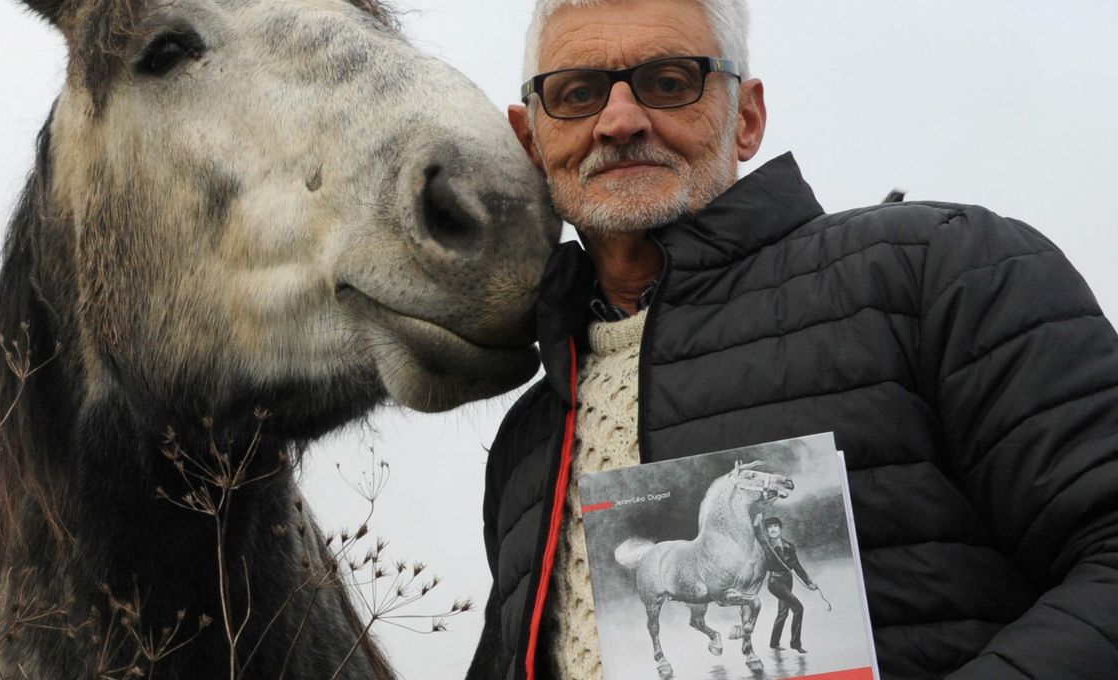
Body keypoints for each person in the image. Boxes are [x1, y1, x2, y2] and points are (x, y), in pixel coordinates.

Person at [467, 0, 1118, 678]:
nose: (621, 120)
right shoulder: (526, 441)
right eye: (578, 94)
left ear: (746, 117)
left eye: (668, 82)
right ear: (531, 140)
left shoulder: (936, 273)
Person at [761, 517, 818, 655]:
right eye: (769, 527)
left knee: (783, 612)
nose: (773, 529)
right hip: (775, 582)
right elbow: (757, 536)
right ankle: (795, 644)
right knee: (798, 608)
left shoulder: (789, 546)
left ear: (780, 528)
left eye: (775, 526)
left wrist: (809, 582)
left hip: (788, 580)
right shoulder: (765, 546)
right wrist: (757, 524)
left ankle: (774, 643)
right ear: (766, 531)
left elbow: (797, 566)